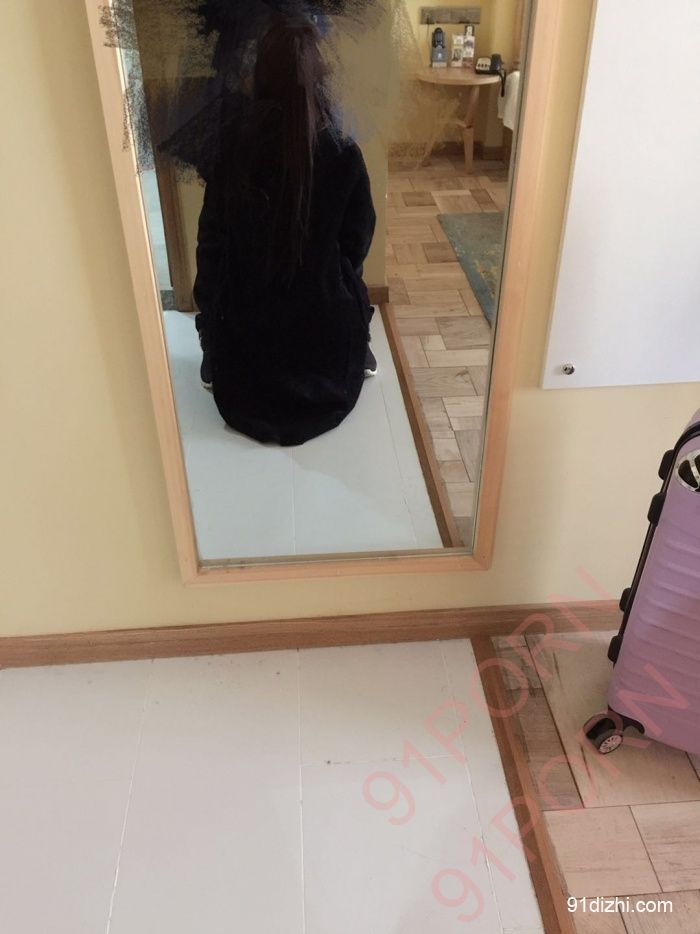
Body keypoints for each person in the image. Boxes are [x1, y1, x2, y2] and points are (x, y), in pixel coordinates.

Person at [192, 15, 377, 447]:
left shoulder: (230, 150)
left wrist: (211, 326)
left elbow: (211, 245)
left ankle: (216, 351)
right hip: (324, 345)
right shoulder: (344, 152)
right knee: (344, 285)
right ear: (320, 78)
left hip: (246, 349)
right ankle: (353, 341)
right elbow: (356, 244)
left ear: (259, 75)